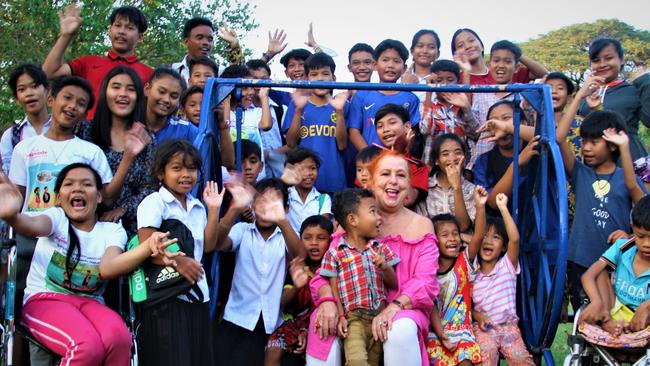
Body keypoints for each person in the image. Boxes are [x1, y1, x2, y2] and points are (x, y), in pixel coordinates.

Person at [0, 163, 170, 365]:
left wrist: (147, 247)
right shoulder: (56, 218)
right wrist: (12, 216)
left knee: (120, 339)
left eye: (87, 184)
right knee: (86, 345)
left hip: (90, 303)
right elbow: (31, 227)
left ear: (99, 197)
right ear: (59, 198)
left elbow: (108, 268)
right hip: (45, 300)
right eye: (69, 184)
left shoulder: (112, 231)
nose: (78, 188)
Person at [311, 150, 439, 366]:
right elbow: (324, 274)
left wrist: (393, 307)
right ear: (370, 182)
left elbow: (425, 282)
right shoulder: (352, 223)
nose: (393, 181)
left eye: (401, 175)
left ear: (409, 185)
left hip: (404, 307)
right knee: (322, 321)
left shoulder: (422, 225)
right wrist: (327, 302)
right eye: (385, 174)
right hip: (353, 310)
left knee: (399, 328)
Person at [556, 79, 647, 311]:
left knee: (615, 319)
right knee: (584, 318)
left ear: (613, 145)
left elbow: (638, 198)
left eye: (594, 142)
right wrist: (578, 97)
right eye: (584, 141)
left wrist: (628, 235)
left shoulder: (626, 178)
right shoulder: (581, 174)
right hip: (581, 260)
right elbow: (559, 138)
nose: (586, 147)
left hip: (618, 265)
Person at [136, 139, 225, 366]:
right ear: (160, 173)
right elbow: (147, 246)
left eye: (192, 168)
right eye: (177, 168)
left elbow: (208, 246)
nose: (186, 174)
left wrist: (214, 210)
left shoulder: (197, 206)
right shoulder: (154, 203)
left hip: (198, 295)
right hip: (168, 299)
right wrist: (180, 262)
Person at [213, 178, 305, 365]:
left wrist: (282, 221)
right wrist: (235, 209)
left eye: (274, 204)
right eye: (261, 201)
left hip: (272, 323)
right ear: (253, 204)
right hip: (237, 318)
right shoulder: (242, 230)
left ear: (286, 209)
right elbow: (217, 243)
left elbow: (300, 255)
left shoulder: (286, 236)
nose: (266, 208)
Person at [321, 188, 399, 366]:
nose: (379, 217)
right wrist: (341, 316)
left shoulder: (380, 248)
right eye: (373, 211)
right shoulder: (335, 253)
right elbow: (334, 290)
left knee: (373, 362)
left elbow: (394, 284)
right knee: (357, 361)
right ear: (352, 220)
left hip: (379, 320)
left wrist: (385, 267)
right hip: (354, 320)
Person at [75, 66, 155, 237]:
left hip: (130, 227)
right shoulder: (84, 131)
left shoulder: (146, 137)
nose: (123, 94)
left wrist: (123, 209)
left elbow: (150, 187)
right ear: (105, 92)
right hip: (86, 224)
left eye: (131, 89)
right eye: (116, 87)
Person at [42, 4, 153, 119]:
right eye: (117, 25)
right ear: (109, 31)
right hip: (89, 134)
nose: (121, 31)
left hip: (128, 135)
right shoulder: (88, 63)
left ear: (140, 37)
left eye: (129, 28)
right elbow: (49, 72)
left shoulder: (149, 74)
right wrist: (66, 36)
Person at [427, 186, 487, 366]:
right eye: (444, 235)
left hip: (462, 331)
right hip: (435, 333)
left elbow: (478, 237)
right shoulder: (428, 270)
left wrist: (480, 206)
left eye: (455, 234)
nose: (452, 239)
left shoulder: (463, 262)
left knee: (465, 360)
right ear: (434, 240)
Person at [471, 194, 535, 365]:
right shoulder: (472, 272)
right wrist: (477, 316)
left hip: (509, 328)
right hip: (484, 329)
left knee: (520, 357)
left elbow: (515, 239)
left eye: (496, 237)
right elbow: (467, 307)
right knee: (487, 354)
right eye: (484, 236)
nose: (488, 241)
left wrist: (503, 207)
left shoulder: (507, 266)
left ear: (504, 247)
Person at [265, 216, 334, 366]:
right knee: (273, 349)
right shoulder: (297, 268)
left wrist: (309, 332)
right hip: (294, 324)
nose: (314, 243)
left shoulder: (332, 270)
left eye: (321, 238)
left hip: (324, 325)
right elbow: (283, 301)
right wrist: (297, 286)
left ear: (330, 241)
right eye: (307, 238)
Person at [580, 195, 650, 337]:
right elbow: (588, 275)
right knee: (600, 271)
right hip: (614, 310)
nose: (646, 244)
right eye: (640, 236)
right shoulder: (623, 246)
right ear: (633, 229)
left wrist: (646, 305)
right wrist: (596, 302)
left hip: (644, 321)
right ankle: (607, 322)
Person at [285, 52, 348, 193]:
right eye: (314, 74)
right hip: (303, 182)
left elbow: (342, 145)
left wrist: (339, 112)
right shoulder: (297, 104)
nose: (320, 78)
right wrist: (298, 111)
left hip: (334, 180)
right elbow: (290, 144)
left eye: (325, 74)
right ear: (307, 78)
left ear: (334, 78)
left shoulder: (342, 105)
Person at [577, 37, 650, 161]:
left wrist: (646, 83)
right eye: (596, 60)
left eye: (609, 58)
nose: (603, 64)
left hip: (629, 160)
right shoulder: (585, 94)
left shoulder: (633, 89)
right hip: (593, 165)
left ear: (621, 60)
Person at [348, 39, 421, 150]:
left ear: (404, 68)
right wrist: (369, 157)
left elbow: (413, 132)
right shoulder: (362, 94)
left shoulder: (410, 98)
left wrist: (399, 157)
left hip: (398, 162)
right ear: (375, 65)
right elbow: (354, 131)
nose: (390, 65)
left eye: (396, 61)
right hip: (369, 163)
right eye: (385, 60)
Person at [469, 40, 534, 165]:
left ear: (516, 68)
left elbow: (545, 75)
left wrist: (517, 52)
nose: (501, 65)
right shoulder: (480, 92)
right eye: (496, 60)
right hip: (485, 159)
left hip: (516, 158)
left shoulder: (522, 92)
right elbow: (475, 129)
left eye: (508, 61)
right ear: (489, 64)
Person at [419, 60, 478, 166]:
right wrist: (429, 91)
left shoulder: (462, 106)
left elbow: (475, 133)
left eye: (450, 80)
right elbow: (425, 130)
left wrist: (466, 107)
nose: (444, 84)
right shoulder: (427, 105)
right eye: (439, 80)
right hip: (434, 167)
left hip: (461, 166)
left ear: (457, 82)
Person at [417, 134, 476, 232]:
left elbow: (463, 226)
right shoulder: (426, 186)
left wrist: (457, 187)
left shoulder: (471, 189)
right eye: (445, 154)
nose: (452, 158)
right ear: (436, 160)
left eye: (458, 152)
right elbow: (423, 228)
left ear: (464, 157)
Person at [450, 28, 547, 86]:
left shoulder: (503, 70)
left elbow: (543, 74)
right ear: (455, 55)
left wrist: (515, 51)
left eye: (471, 41)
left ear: (482, 46)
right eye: (460, 45)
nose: (468, 46)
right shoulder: (456, 79)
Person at [1, 64, 51, 175]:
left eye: (34, 86)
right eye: (22, 89)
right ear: (17, 98)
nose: (29, 93)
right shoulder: (11, 136)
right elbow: (9, 175)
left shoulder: (67, 128)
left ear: (47, 91)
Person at [171, 17, 243, 82]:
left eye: (210, 39)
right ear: (186, 41)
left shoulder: (220, 72)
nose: (206, 43)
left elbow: (242, 79)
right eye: (200, 38)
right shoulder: (173, 70)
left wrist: (235, 47)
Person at [284, 147, 332, 233]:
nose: (308, 173)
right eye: (301, 169)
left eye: (312, 168)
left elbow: (323, 227)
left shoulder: (323, 199)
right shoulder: (285, 196)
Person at [144, 68, 198, 144]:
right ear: (147, 89)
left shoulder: (188, 131)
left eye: (174, 96)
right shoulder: (129, 125)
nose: (166, 100)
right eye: (162, 92)